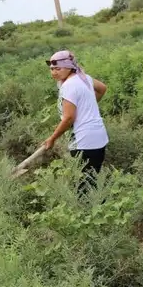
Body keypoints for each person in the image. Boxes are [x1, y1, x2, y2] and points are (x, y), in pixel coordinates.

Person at [42, 50, 109, 194]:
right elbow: (102, 89)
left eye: (57, 69)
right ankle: (99, 207)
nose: (53, 72)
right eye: (51, 69)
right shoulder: (84, 78)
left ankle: (89, 213)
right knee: (92, 180)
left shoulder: (69, 86)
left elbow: (68, 118)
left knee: (84, 187)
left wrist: (52, 138)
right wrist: (87, 106)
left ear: (69, 67)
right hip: (99, 137)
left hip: (84, 141)